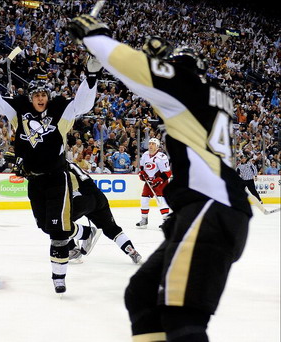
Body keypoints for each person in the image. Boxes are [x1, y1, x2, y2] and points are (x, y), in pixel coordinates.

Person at [68, 17, 252, 341]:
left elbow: (139, 70)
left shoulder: (187, 87)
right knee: (141, 293)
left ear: (180, 69)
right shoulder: (215, 96)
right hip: (213, 208)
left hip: (209, 208)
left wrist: (96, 37)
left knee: (183, 317)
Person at [0, 50, 100, 294]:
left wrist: (91, 77)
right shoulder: (19, 111)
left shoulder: (61, 110)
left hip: (58, 178)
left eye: (44, 94)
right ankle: (85, 231)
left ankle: (58, 278)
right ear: (31, 97)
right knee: (45, 226)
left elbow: (83, 103)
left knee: (58, 231)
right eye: (37, 94)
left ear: (49, 97)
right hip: (33, 180)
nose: (41, 98)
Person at [67, 161, 142, 264]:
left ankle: (75, 245)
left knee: (61, 222)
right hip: (99, 196)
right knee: (112, 229)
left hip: (81, 198)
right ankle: (132, 252)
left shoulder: (57, 164)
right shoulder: (70, 163)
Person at [136, 138, 171, 229]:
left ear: (157, 146)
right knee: (144, 200)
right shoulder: (145, 155)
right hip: (149, 182)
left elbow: (168, 173)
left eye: (153, 144)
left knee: (161, 201)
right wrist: (142, 174)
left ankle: (166, 221)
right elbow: (142, 168)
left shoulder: (162, 157)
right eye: (150, 143)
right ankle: (144, 219)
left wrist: (159, 180)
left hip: (160, 182)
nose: (150, 145)